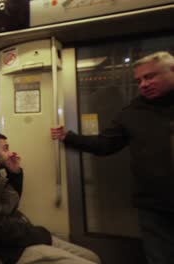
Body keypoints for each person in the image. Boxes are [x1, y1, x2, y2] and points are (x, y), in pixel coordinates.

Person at [51, 51, 174, 264]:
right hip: (154, 204)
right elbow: (104, 144)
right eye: (139, 80)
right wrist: (68, 137)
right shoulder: (133, 112)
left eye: (150, 76)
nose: (143, 84)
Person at [0, 132, 101, 264]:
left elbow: (8, 207)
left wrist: (14, 173)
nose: (10, 154)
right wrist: (35, 234)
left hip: (22, 237)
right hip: (13, 250)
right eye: (5, 149)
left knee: (92, 257)